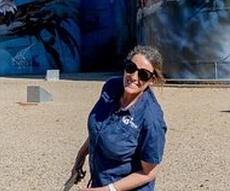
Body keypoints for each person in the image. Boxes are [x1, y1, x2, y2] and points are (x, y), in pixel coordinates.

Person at [69, 45, 167, 191]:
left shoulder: (151, 120)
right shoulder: (111, 87)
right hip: (100, 183)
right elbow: (100, 128)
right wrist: (81, 155)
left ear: (152, 80)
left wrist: (108, 190)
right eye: (131, 68)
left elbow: (149, 173)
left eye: (143, 75)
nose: (133, 77)